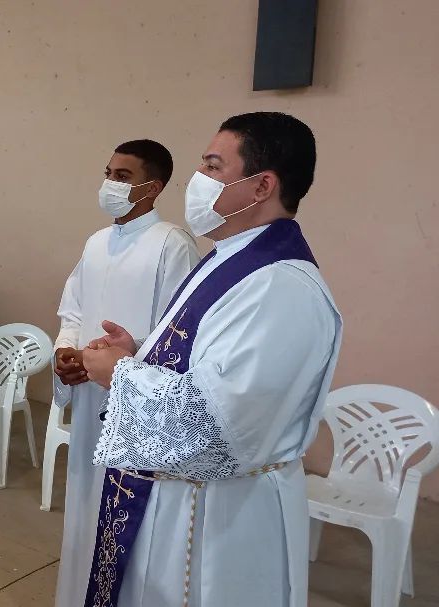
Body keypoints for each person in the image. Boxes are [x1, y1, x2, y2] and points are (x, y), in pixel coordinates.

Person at [61, 112, 342, 607]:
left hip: (220, 517)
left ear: (262, 186)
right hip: (180, 499)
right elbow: (204, 362)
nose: (198, 179)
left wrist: (120, 374)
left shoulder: (279, 286)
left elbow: (217, 425)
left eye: (213, 167)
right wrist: (139, 353)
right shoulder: (228, 258)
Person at [53, 140, 198, 600]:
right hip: (89, 398)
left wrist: (124, 359)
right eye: (109, 173)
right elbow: (73, 310)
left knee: (120, 519)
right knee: (83, 506)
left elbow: (179, 331)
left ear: (152, 188)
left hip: (133, 405)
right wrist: (66, 352)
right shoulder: (96, 242)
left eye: (123, 176)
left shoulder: (172, 244)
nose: (110, 183)